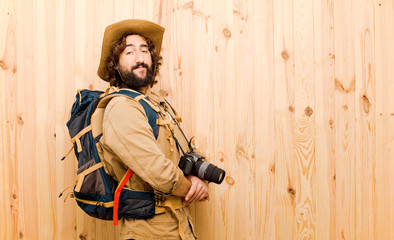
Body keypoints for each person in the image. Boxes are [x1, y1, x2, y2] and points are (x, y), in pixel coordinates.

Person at [96, 19, 208, 240]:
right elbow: (158, 171)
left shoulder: (155, 104)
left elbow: (184, 152)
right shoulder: (121, 107)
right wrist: (194, 189)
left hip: (179, 225)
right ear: (116, 65)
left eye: (145, 50)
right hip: (148, 231)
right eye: (129, 52)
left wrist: (199, 177)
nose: (140, 58)